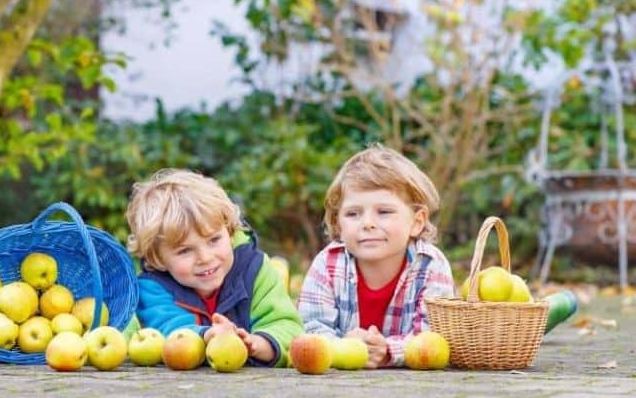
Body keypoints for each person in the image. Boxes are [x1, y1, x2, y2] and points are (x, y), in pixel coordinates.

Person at [126, 169, 303, 367]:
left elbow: (288, 326)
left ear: (229, 230)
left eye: (214, 239)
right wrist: (207, 335)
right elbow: (165, 329)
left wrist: (259, 344)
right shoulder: (151, 288)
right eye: (185, 251)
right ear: (157, 258)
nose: (205, 258)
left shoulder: (256, 270)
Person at [297, 144, 454, 368]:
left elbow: (434, 335)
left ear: (417, 222)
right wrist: (343, 346)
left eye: (384, 212)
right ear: (338, 224)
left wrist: (388, 350)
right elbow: (310, 328)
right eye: (353, 214)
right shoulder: (328, 264)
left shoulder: (430, 266)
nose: (368, 223)